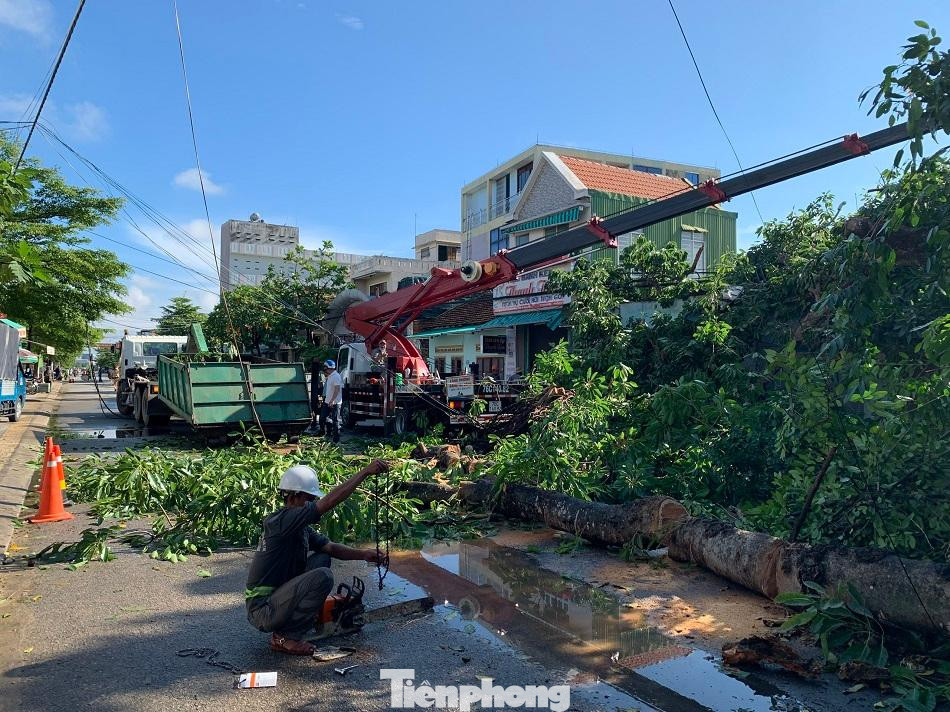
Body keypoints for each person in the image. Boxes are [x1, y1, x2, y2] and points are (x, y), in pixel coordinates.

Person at [244, 460, 389, 655]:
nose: (312, 503)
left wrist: (363, 554)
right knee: (323, 576)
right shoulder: (282, 521)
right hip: (263, 610)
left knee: (322, 557)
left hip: (276, 598)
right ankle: (286, 637)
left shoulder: (297, 526)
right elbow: (327, 503)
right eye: (309, 499)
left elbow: (329, 547)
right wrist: (364, 473)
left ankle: (298, 619)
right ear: (294, 496)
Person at [320, 359, 343, 443]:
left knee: (335, 420)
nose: (324, 369)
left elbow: (337, 389)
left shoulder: (336, 376)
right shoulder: (330, 376)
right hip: (327, 401)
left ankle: (336, 439)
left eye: (325, 368)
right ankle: (328, 433)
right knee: (323, 418)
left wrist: (332, 400)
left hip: (335, 402)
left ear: (328, 368)